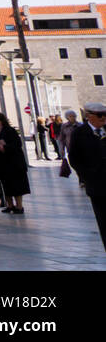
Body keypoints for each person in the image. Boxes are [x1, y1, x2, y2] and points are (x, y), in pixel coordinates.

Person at [68, 102, 106, 251]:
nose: (104, 118)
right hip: (97, 186)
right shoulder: (79, 133)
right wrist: (87, 177)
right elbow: (75, 159)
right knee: (104, 220)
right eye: (100, 115)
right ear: (89, 116)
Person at [0, 112, 30, 214]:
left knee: (16, 185)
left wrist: (5, 147)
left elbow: (17, 144)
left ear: (1, 120)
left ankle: (19, 206)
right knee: (4, 185)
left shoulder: (9, 130)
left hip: (13, 163)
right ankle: (10, 205)